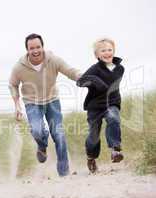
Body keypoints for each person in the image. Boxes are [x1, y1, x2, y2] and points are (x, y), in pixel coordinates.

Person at [9, 33, 81, 176]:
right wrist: (17, 105)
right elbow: (12, 84)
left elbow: (70, 71)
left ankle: (64, 173)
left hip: (52, 100)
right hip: (32, 103)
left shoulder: (53, 60)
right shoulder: (19, 67)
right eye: (31, 48)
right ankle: (42, 146)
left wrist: (82, 77)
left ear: (42, 46)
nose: (35, 51)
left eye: (38, 47)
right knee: (36, 130)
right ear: (27, 50)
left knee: (59, 135)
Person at [76, 38, 124, 173]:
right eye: (103, 51)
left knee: (114, 118)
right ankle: (91, 157)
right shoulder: (94, 69)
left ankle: (115, 150)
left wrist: (104, 86)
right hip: (95, 107)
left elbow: (111, 81)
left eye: (110, 50)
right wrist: (95, 80)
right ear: (97, 55)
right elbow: (80, 82)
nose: (107, 53)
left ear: (114, 52)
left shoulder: (120, 69)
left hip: (111, 103)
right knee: (93, 135)